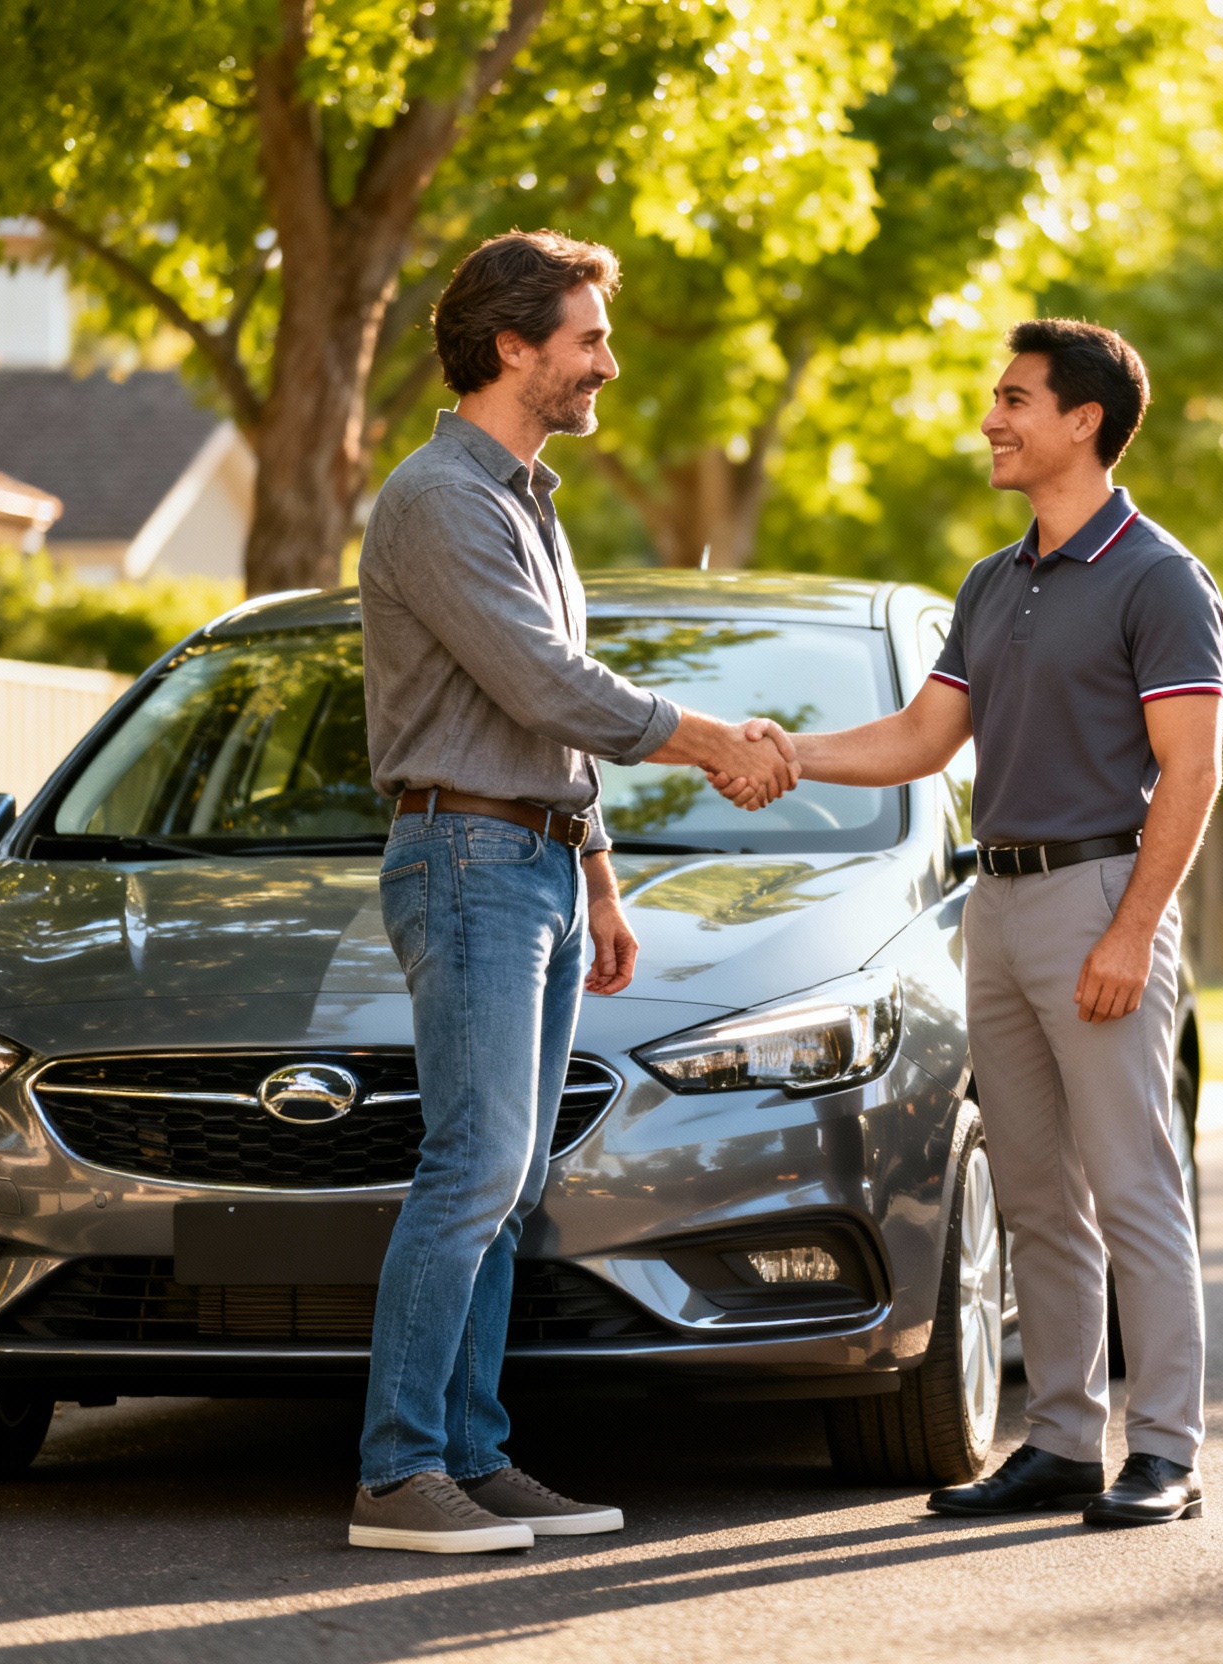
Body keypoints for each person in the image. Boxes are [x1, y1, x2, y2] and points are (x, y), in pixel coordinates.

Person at [348, 229, 799, 1555]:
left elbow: (538, 720)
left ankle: (473, 1457)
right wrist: (711, 741)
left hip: (533, 861)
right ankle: (397, 1471)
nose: (607, 362)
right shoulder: (440, 499)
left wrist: (597, 870)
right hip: (467, 859)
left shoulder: (527, 501)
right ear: (512, 346)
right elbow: (546, 685)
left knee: (509, 1182)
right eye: (589, 338)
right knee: (472, 1167)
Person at [752, 318, 1221, 1528]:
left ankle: (1165, 1449)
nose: (991, 419)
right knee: (1032, 1192)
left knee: (1132, 1185)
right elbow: (922, 736)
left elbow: (1192, 770)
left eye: (1014, 398)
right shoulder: (992, 581)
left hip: (1097, 898)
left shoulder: (1160, 577)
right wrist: (788, 753)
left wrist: (1133, 930)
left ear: (1085, 420)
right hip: (998, 905)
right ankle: (1061, 1439)